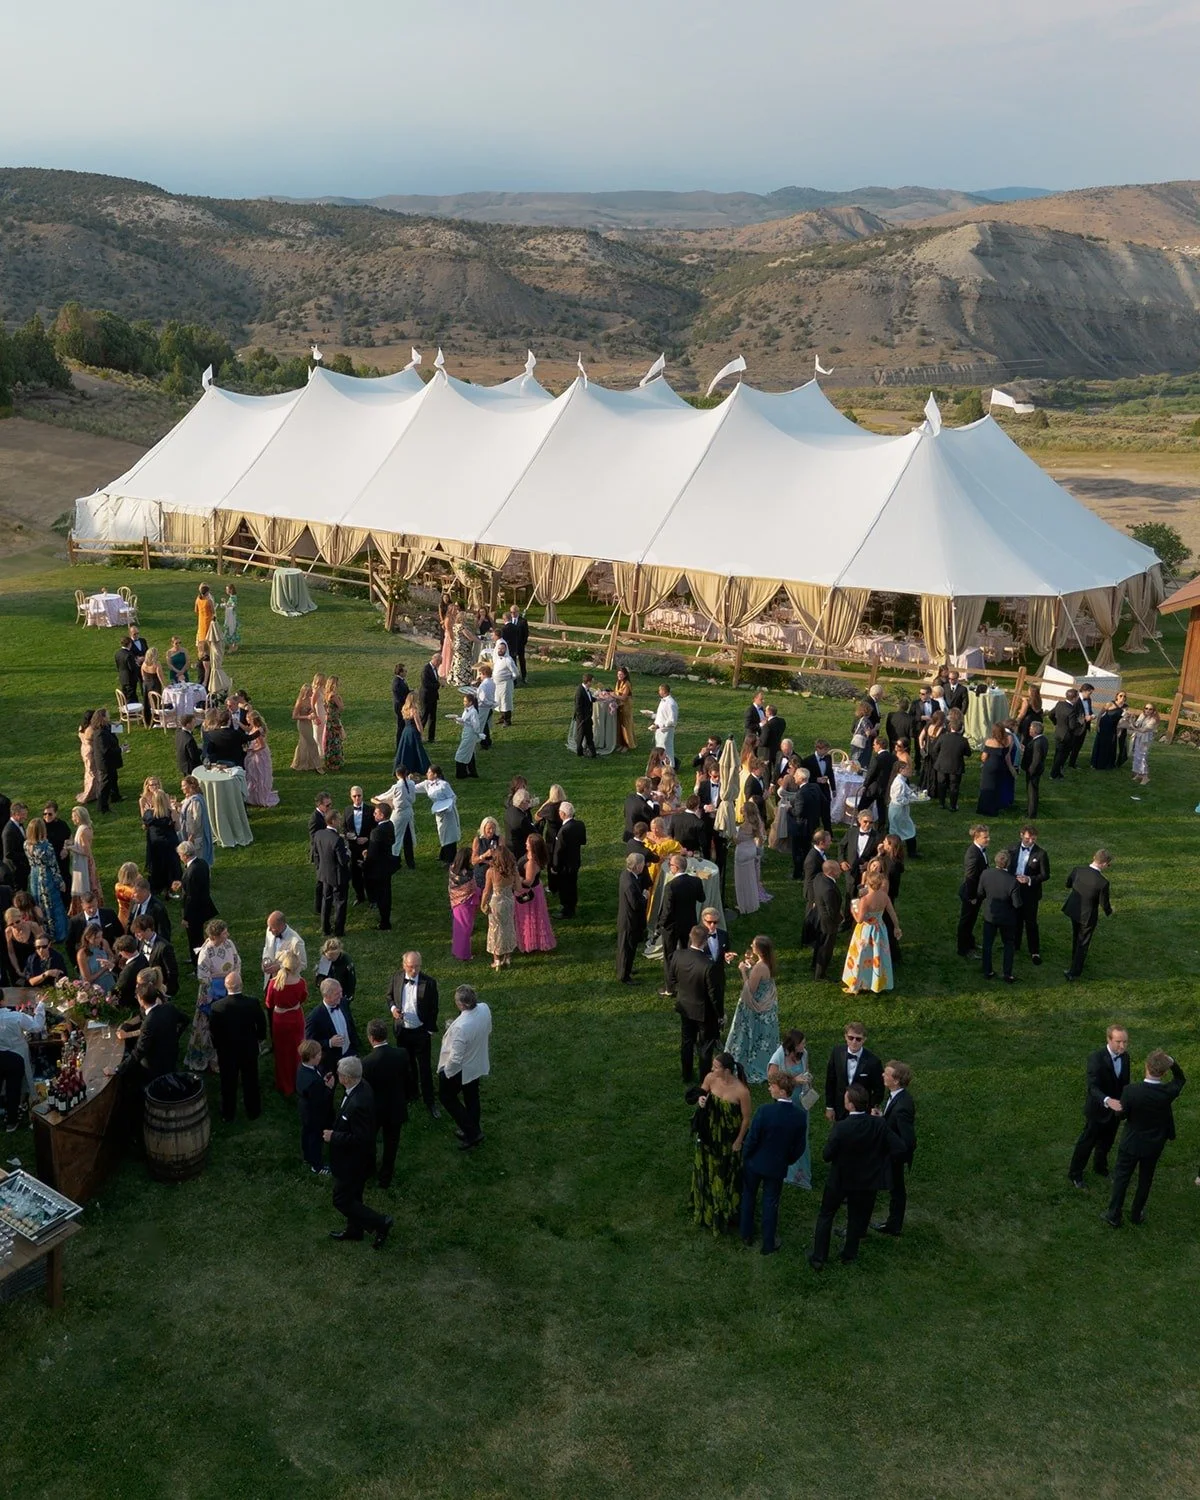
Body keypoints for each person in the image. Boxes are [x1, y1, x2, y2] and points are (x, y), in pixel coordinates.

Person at [808, 1082, 905, 1270]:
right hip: (865, 1181)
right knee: (856, 1216)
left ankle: (819, 1257)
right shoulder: (878, 1124)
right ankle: (849, 1254)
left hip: (840, 1179)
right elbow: (899, 1148)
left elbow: (827, 1155)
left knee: (826, 1215)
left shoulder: (841, 1127)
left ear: (850, 1105)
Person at [1101, 1050, 1186, 1229]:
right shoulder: (1167, 1092)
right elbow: (1180, 1079)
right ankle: (1136, 1214)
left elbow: (1121, 1115)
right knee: (1145, 1179)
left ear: (1146, 1066)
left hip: (1131, 1143)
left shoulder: (1131, 1091)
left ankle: (1114, 1215)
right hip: (1153, 1144)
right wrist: (1173, 1062)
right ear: (1164, 1072)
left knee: (1122, 1178)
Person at [324, 1056, 394, 1248]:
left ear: (346, 1078)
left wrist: (334, 1136)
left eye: (339, 1074)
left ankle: (381, 1223)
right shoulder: (361, 1086)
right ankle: (355, 1230)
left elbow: (361, 1138)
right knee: (354, 1196)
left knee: (341, 1199)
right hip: (357, 1160)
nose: (338, 1076)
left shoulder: (359, 1102)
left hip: (353, 1162)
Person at [740, 1072, 808, 1255]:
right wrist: (787, 1160)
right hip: (777, 1167)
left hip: (755, 1163)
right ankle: (768, 1243)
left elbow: (752, 1138)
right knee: (770, 1203)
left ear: (783, 1091)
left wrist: (746, 1156)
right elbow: (799, 1147)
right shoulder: (799, 1117)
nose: (769, 1088)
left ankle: (746, 1234)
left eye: (772, 1086)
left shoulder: (764, 1111)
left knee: (749, 1196)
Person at [690, 1052, 751, 1235]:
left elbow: (746, 1119)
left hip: (727, 1140)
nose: (711, 1069)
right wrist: (701, 1099)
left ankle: (724, 1212)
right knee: (707, 1169)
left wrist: (739, 1140)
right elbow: (702, 1092)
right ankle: (705, 1205)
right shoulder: (710, 1078)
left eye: (715, 1067)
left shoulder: (742, 1091)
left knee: (723, 1174)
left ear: (726, 1071)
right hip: (709, 1134)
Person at [1067, 1024, 1130, 1188]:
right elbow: (1093, 1087)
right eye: (1118, 1042)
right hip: (1097, 1110)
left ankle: (1100, 1167)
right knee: (1087, 1143)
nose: (1122, 1046)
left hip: (1115, 1111)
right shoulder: (1096, 1058)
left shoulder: (1125, 1057)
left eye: (1125, 1042)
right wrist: (1107, 1100)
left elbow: (1125, 1083)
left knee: (1107, 1142)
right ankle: (1075, 1174)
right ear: (1108, 1039)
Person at [437, 984, 492, 1150]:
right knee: (472, 1097)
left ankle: (472, 1132)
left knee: (447, 1097)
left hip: (461, 1069)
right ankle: (473, 1128)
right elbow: (488, 1028)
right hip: (476, 1063)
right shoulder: (484, 1008)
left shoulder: (461, 1027)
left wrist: (447, 1073)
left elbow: (455, 1058)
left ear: (461, 1004)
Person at [208, 970, 266, 1122]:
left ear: (226, 986)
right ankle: (253, 1110)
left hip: (227, 1051)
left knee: (227, 1082)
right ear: (241, 985)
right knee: (251, 1079)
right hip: (248, 1048)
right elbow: (261, 1023)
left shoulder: (217, 1007)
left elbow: (214, 1031)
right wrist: (260, 1038)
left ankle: (228, 1113)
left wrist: (217, 1046)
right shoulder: (252, 1003)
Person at [388, 952, 440, 1117]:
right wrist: (393, 1009)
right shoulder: (396, 978)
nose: (414, 970)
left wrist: (429, 1030)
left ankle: (429, 1101)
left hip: (420, 1032)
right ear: (404, 965)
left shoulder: (429, 983)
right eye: (411, 967)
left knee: (424, 1067)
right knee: (407, 1064)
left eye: (417, 966)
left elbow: (434, 1008)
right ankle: (411, 1093)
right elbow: (389, 996)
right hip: (402, 1031)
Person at [724, 935, 779, 1084]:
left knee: (751, 1035)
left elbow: (749, 990)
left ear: (759, 950)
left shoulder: (759, 968)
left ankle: (750, 1062)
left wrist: (743, 970)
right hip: (767, 1006)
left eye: (753, 945)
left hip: (755, 1008)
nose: (751, 946)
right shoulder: (768, 963)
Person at [362, 1018, 409, 1190]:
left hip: (375, 1110)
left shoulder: (366, 1063)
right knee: (391, 1144)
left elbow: (365, 1090)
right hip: (395, 1106)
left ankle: (369, 1169)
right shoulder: (401, 1054)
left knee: (369, 1140)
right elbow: (407, 1077)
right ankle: (386, 1177)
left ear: (371, 1038)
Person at [188, 917, 239, 1073]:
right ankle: (212, 1058)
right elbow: (203, 978)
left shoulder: (229, 944)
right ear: (214, 936)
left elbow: (237, 962)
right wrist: (218, 985)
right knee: (210, 1027)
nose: (227, 935)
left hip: (229, 988)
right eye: (224, 934)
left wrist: (233, 979)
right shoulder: (206, 952)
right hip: (212, 994)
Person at [673, 925, 722, 1083]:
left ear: (690, 936)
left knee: (687, 1041)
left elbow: (672, 978)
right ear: (705, 941)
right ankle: (704, 1079)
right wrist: (720, 1014)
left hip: (685, 1006)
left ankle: (686, 1075)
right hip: (704, 1011)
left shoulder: (678, 955)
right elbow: (714, 994)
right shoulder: (708, 965)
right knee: (705, 1045)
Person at [768, 1030, 815, 1190]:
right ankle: (786, 1171)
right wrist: (794, 1080)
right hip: (787, 1100)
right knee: (786, 1135)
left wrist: (807, 1078)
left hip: (800, 1101)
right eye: (802, 1043)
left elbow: (806, 1069)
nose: (804, 1045)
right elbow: (773, 1082)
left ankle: (801, 1170)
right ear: (793, 1045)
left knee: (801, 1133)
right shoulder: (778, 1058)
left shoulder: (804, 1054)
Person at [841, 867, 897, 995]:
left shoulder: (865, 900)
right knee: (877, 955)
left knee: (862, 956)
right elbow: (892, 913)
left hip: (865, 931)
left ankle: (858, 983)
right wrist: (896, 927)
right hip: (880, 929)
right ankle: (876, 982)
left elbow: (860, 920)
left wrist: (853, 910)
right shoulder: (884, 896)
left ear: (868, 883)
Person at [657, 853, 704, 994]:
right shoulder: (696, 881)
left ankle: (670, 988)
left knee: (669, 956)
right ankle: (687, 982)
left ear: (676, 868)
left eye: (670, 865)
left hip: (672, 926)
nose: (670, 867)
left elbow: (667, 910)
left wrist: (661, 925)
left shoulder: (671, 886)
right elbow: (702, 898)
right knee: (687, 953)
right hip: (689, 923)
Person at [1063, 850, 1113, 981]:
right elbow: (1104, 903)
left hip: (1074, 910)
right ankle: (1074, 972)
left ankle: (1074, 959)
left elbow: (1068, 884)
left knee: (1076, 936)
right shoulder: (1102, 882)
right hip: (1088, 916)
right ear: (1104, 864)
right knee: (1083, 942)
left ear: (1094, 857)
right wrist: (1109, 911)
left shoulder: (1078, 870)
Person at [264, 949, 308, 1096]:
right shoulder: (301, 983)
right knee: (297, 1051)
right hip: (296, 1018)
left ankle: (284, 1084)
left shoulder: (273, 983)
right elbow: (303, 998)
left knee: (282, 1052)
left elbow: (269, 1003)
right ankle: (298, 1080)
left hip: (280, 1020)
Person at [0, 992, 46, 1129]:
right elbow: (37, 1026)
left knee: (10, 1087)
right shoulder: (15, 1016)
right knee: (13, 1088)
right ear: (2, 1001)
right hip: (16, 1056)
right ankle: (12, 1120)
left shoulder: (15, 1016)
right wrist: (41, 1005)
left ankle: (10, 1116)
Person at [825, 1023, 884, 1121]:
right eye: (851, 1038)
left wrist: (869, 1108)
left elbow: (879, 1090)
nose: (854, 1042)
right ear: (845, 1037)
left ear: (864, 1039)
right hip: (840, 1109)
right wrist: (829, 1107)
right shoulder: (837, 1053)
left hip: (862, 1113)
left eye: (858, 1039)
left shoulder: (873, 1062)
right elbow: (830, 1081)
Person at [977, 849, 1022, 982]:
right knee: (1008, 944)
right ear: (1008, 863)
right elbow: (1017, 904)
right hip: (1007, 918)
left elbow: (980, 893)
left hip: (990, 915)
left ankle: (987, 971)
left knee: (987, 944)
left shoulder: (985, 874)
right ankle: (1007, 974)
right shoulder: (1012, 881)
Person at [1009, 825, 1049, 964]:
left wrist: (1029, 879)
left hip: (1030, 892)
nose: (1030, 841)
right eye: (1027, 838)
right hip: (1014, 889)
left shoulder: (1041, 854)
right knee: (1015, 919)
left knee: (1031, 922)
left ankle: (1034, 951)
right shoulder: (1012, 849)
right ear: (1021, 835)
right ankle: (1015, 945)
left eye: (1033, 839)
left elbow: (1045, 875)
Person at [306, 976, 360, 1078]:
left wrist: (355, 1046)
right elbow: (309, 1043)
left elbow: (350, 1024)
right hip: (330, 1061)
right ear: (327, 996)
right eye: (337, 994)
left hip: (349, 1052)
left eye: (341, 992)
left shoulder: (343, 1003)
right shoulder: (315, 1017)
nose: (341, 995)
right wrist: (329, 1043)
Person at [25, 819, 67, 942]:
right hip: (46, 877)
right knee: (53, 904)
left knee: (39, 904)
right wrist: (60, 882)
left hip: (34, 876)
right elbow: (53, 866)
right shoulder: (46, 847)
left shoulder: (26, 844)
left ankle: (43, 931)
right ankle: (58, 934)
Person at [515, 832, 556, 954]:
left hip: (529, 893)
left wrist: (517, 878)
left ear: (533, 846)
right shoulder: (531, 856)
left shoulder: (532, 862)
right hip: (530, 890)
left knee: (530, 918)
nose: (525, 843)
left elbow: (529, 881)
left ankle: (531, 943)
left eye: (528, 842)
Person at [297, 1039, 333, 1175]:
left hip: (305, 1110)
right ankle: (317, 1165)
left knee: (307, 1132)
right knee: (315, 1137)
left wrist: (322, 1082)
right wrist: (328, 1087)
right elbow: (321, 1100)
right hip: (314, 1113)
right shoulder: (313, 1082)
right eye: (318, 1054)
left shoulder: (304, 1068)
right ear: (311, 1057)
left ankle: (307, 1156)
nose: (321, 1056)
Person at [312, 812, 350, 939]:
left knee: (326, 900)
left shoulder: (319, 834)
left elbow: (316, 853)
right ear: (333, 821)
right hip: (338, 877)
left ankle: (325, 928)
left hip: (324, 874)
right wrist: (348, 853)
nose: (340, 821)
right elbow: (343, 861)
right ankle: (339, 930)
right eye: (338, 819)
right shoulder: (337, 840)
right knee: (340, 902)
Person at [482, 844, 519, 970]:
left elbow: (486, 891)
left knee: (495, 929)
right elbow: (518, 888)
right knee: (509, 927)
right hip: (509, 901)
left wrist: (483, 904)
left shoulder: (491, 872)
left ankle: (497, 959)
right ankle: (507, 957)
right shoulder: (513, 870)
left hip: (496, 902)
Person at [413, 766, 461, 862]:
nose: (427, 774)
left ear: (435, 774)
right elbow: (413, 788)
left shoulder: (444, 785)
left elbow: (453, 797)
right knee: (442, 832)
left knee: (450, 834)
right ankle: (443, 854)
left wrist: (446, 806)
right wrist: (408, 781)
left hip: (448, 812)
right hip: (438, 811)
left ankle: (450, 858)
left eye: (429, 772)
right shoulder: (427, 784)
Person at [957, 824, 990, 958]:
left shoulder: (980, 850)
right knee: (966, 921)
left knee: (971, 920)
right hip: (971, 894)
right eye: (985, 837)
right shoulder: (973, 855)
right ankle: (963, 949)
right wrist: (972, 897)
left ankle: (970, 943)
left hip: (977, 893)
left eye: (988, 836)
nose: (988, 839)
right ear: (976, 838)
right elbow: (970, 877)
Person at [363, 802, 397, 931]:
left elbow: (372, 854)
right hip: (387, 865)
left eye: (376, 813)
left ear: (382, 815)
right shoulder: (390, 825)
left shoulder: (376, 832)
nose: (374, 814)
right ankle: (385, 919)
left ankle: (384, 922)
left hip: (378, 868)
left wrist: (366, 857)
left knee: (381, 895)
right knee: (386, 893)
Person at [931, 710, 971, 811]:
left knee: (941, 784)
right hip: (955, 765)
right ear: (961, 729)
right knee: (954, 786)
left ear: (951, 727)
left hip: (942, 764)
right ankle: (953, 806)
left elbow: (935, 749)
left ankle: (941, 803)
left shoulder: (943, 737)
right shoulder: (963, 741)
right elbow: (968, 753)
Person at [616, 853, 647, 983]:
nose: (644, 866)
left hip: (627, 918)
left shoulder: (626, 875)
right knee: (627, 948)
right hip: (629, 921)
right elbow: (635, 904)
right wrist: (644, 897)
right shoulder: (630, 883)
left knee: (627, 947)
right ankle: (624, 975)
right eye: (643, 864)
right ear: (638, 866)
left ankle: (625, 968)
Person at [552, 801, 586, 919]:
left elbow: (558, 851)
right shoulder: (580, 824)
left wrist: (555, 866)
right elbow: (583, 841)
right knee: (573, 884)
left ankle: (567, 910)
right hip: (575, 861)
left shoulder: (563, 831)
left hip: (564, 865)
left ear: (563, 814)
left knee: (564, 887)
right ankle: (572, 905)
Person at [811, 859, 843, 981]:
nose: (840, 871)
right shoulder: (829, 889)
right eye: (837, 870)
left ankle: (814, 965)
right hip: (828, 922)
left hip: (819, 916)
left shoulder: (819, 877)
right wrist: (840, 919)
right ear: (831, 872)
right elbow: (832, 911)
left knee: (820, 943)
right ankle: (820, 974)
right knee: (826, 948)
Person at [242, 710, 279, 807]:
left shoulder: (258, 731)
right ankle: (253, 795)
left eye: (248, 719)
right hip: (256, 752)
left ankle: (259, 797)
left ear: (252, 719)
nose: (247, 720)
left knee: (258, 774)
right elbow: (247, 729)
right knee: (253, 775)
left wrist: (251, 750)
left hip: (259, 755)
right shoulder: (254, 727)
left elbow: (262, 745)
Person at [732, 801, 763, 916]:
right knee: (751, 878)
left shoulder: (742, 827)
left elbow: (737, 841)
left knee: (741, 881)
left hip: (742, 854)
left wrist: (732, 834)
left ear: (746, 812)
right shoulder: (756, 823)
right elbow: (760, 839)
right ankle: (752, 903)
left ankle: (743, 905)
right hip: (752, 851)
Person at [448, 848, 480, 961]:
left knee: (458, 927)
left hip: (456, 902)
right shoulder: (468, 874)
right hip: (466, 903)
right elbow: (473, 887)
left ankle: (456, 950)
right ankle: (464, 954)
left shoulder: (453, 869)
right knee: (466, 929)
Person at [263, 909, 307, 981]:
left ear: (281, 926)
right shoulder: (270, 930)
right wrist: (265, 961)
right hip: (269, 978)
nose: (269, 930)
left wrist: (280, 967)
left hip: (286, 981)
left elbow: (302, 964)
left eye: (272, 928)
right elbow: (266, 948)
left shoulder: (296, 942)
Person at [1049, 689, 1083, 779]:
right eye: (1077, 697)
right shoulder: (1071, 710)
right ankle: (1054, 774)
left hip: (1058, 732)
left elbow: (1050, 714)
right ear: (1074, 698)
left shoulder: (1059, 704)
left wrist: (1056, 723)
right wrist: (1080, 722)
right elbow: (1072, 726)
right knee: (1062, 756)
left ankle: (1057, 771)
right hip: (1067, 736)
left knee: (1058, 753)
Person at [644, 683, 679, 767]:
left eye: (659, 690)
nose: (658, 692)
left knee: (666, 749)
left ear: (663, 691)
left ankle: (670, 767)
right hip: (660, 730)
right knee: (660, 749)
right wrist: (651, 715)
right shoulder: (663, 701)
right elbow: (662, 716)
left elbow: (672, 721)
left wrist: (659, 726)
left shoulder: (671, 703)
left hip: (665, 731)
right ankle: (662, 766)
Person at [291, 683, 322, 772]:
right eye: (311, 691)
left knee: (303, 743)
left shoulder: (310, 700)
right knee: (312, 743)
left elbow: (311, 710)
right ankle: (318, 765)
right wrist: (307, 717)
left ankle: (303, 763)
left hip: (309, 724)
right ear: (306, 692)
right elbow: (294, 716)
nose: (312, 692)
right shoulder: (300, 702)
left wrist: (314, 716)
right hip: (302, 725)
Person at [450, 692, 481, 779]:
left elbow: (476, 725)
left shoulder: (473, 712)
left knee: (461, 753)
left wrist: (477, 734)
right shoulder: (467, 710)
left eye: (465, 701)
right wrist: (456, 719)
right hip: (467, 732)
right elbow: (465, 721)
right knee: (470, 752)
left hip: (470, 734)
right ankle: (472, 772)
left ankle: (461, 774)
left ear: (470, 702)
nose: (464, 703)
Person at [1021, 721, 1047, 816]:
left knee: (1032, 791)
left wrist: (1031, 770)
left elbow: (1036, 759)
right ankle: (1030, 807)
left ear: (1035, 730)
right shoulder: (1042, 739)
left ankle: (1031, 813)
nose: (1029, 730)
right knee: (1032, 790)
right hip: (1037, 769)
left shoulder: (1037, 743)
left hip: (1034, 771)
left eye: (1030, 728)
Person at [1130, 703, 1158, 785]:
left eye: (1150, 709)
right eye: (1146, 708)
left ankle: (1145, 777)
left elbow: (1144, 730)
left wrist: (1134, 728)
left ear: (1153, 710)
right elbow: (1136, 725)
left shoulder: (1153, 719)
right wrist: (1132, 719)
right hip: (1138, 737)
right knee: (1136, 755)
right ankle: (1139, 774)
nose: (1148, 710)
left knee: (1142, 757)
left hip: (1145, 739)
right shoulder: (1142, 715)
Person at [321, 677, 345, 773]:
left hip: (329, 720)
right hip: (334, 720)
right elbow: (341, 707)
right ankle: (335, 763)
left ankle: (329, 762)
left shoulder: (326, 694)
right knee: (335, 741)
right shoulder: (334, 696)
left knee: (330, 741)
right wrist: (340, 699)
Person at [500, 603, 529, 683]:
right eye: (511, 612)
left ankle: (524, 676)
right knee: (512, 660)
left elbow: (525, 634)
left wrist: (522, 643)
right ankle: (514, 677)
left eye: (514, 612)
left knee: (522, 660)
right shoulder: (509, 620)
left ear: (518, 612)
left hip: (520, 645)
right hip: (511, 645)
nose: (512, 613)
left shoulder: (523, 621)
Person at [492, 640, 517, 727]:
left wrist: (508, 679)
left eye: (502, 649)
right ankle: (502, 717)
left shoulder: (508, 660)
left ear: (506, 650)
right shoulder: (498, 659)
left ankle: (507, 720)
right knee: (499, 701)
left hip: (505, 684)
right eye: (499, 648)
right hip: (497, 684)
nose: (500, 650)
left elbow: (515, 673)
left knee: (506, 702)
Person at [573, 673, 598, 758]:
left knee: (589, 735)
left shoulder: (587, 689)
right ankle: (579, 753)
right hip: (583, 719)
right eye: (592, 681)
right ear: (588, 682)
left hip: (588, 717)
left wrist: (597, 699)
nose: (592, 683)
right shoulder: (580, 691)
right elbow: (578, 707)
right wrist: (582, 719)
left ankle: (593, 753)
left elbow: (589, 699)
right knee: (580, 736)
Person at [419, 653, 441, 743]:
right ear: (435, 660)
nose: (440, 664)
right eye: (440, 662)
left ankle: (431, 738)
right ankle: (418, 736)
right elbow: (426, 684)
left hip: (433, 697)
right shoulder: (426, 669)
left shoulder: (434, 669)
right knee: (424, 717)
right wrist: (438, 684)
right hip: (426, 697)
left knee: (432, 717)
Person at [612, 665, 635, 751]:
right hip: (619, 706)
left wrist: (614, 695)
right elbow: (616, 693)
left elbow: (624, 698)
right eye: (618, 674)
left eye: (621, 674)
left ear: (625, 675)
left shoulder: (627, 684)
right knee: (620, 725)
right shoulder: (618, 682)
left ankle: (627, 745)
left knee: (626, 725)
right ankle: (621, 743)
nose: (619, 676)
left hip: (626, 706)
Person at [194, 582, 215, 652]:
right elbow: (213, 611)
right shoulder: (209, 601)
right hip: (208, 620)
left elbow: (196, 610)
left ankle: (201, 647)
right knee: (208, 634)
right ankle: (208, 648)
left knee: (201, 634)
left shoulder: (198, 599)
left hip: (201, 619)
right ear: (207, 592)